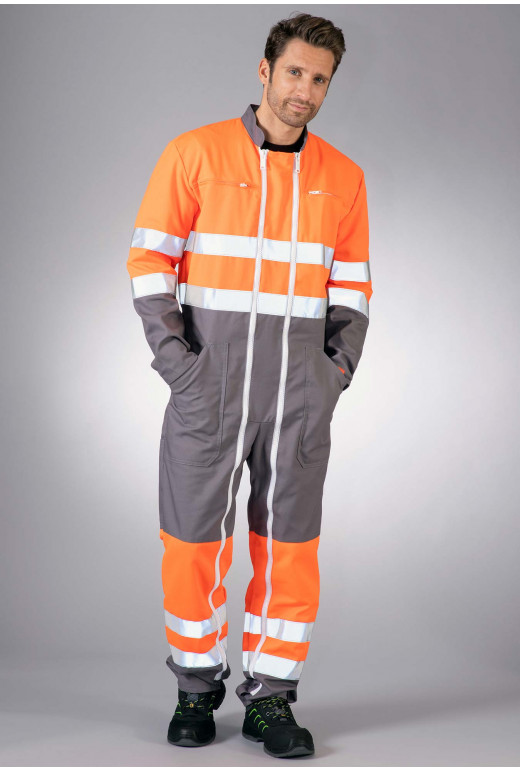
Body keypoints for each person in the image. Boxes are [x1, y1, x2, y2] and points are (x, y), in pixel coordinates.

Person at [126, 11, 372, 760]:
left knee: (289, 549)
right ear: (264, 71)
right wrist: (181, 367)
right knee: (191, 543)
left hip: (300, 397)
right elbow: (149, 264)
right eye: (294, 72)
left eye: (319, 79)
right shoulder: (194, 154)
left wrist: (333, 375)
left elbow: (353, 290)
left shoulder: (344, 177)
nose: (305, 90)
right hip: (211, 387)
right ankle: (195, 689)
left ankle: (271, 698)